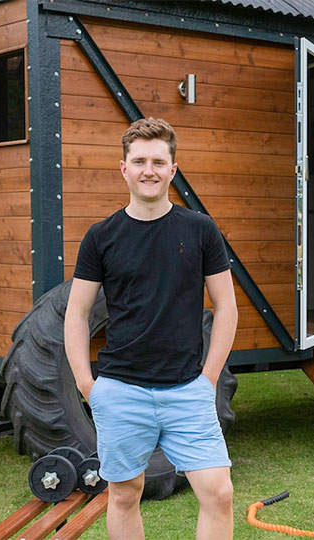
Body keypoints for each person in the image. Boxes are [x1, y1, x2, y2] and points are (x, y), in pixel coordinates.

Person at [64, 117, 238, 540]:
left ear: (172, 170)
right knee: (124, 494)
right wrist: (88, 384)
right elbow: (76, 313)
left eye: (158, 162)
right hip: (122, 390)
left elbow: (227, 305)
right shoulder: (101, 236)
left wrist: (209, 378)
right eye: (139, 160)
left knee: (218, 493)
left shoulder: (200, 230)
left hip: (187, 390)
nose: (149, 170)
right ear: (123, 168)